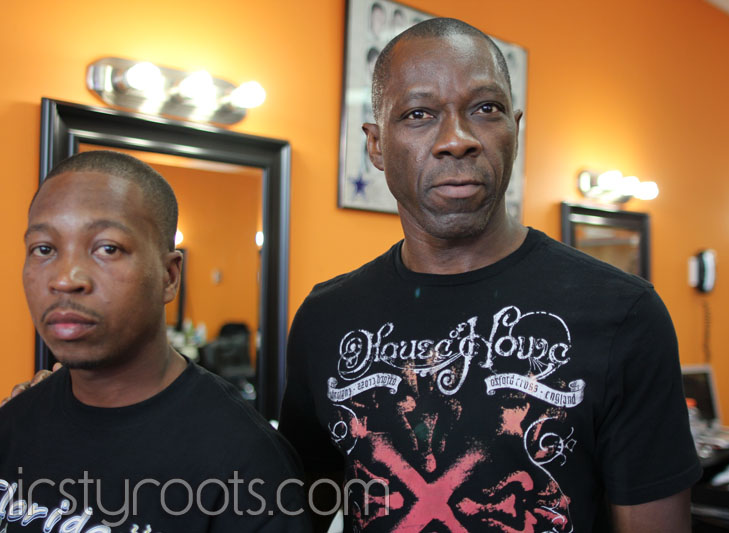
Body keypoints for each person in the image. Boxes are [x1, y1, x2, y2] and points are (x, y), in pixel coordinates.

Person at [278, 18, 701, 533]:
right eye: (418, 114)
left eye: (485, 109)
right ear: (376, 145)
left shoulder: (624, 315)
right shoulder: (326, 319)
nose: (456, 140)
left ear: (514, 131)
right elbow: (298, 512)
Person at [0, 150, 310, 532]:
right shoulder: (6, 432)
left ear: (169, 277)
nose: (65, 279)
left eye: (108, 248)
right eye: (44, 249)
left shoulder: (244, 461)